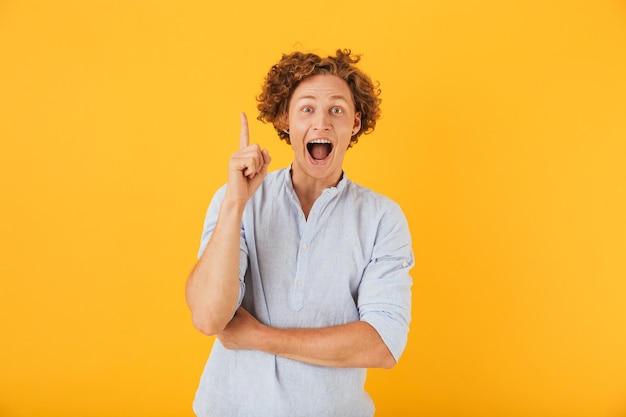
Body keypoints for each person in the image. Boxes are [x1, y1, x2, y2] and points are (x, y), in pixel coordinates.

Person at [185, 49, 414, 417]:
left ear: (354, 123)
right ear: (285, 120)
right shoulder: (237, 201)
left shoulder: (382, 218)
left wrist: (259, 337)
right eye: (307, 109)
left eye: (336, 109)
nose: (321, 122)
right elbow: (210, 317)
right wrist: (235, 204)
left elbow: (382, 345)